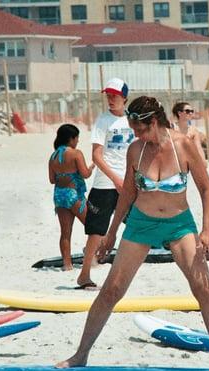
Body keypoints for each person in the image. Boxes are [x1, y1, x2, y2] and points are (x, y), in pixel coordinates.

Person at [56, 96, 209, 371]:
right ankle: (80, 355)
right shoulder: (136, 150)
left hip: (179, 224)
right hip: (141, 224)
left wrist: (207, 231)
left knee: (204, 287)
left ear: (154, 122)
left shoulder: (183, 145)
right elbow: (128, 192)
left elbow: (206, 189)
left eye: (139, 129)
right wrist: (112, 232)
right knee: (111, 290)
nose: (136, 135)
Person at [78, 78, 134, 290]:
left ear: (124, 98)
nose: (110, 99)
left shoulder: (131, 120)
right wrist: (115, 178)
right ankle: (84, 275)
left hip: (128, 182)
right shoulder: (103, 121)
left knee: (135, 225)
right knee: (97, 231)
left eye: (115, 96)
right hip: (105, 184)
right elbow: (97, 156)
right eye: (108, 95)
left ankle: (121, 275)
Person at [48, 124, 95, 271]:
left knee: (65, 233)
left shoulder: (53, 156)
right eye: (77, 138)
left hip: (59, 195)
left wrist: (64, 175)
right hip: (74, 194)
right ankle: (90, 255)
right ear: (71, 138)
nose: (78, 141)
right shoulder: (76, 154)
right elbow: (85, 174)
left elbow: (52, 180)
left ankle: (67, 265)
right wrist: (92, 167)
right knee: (93, 227)